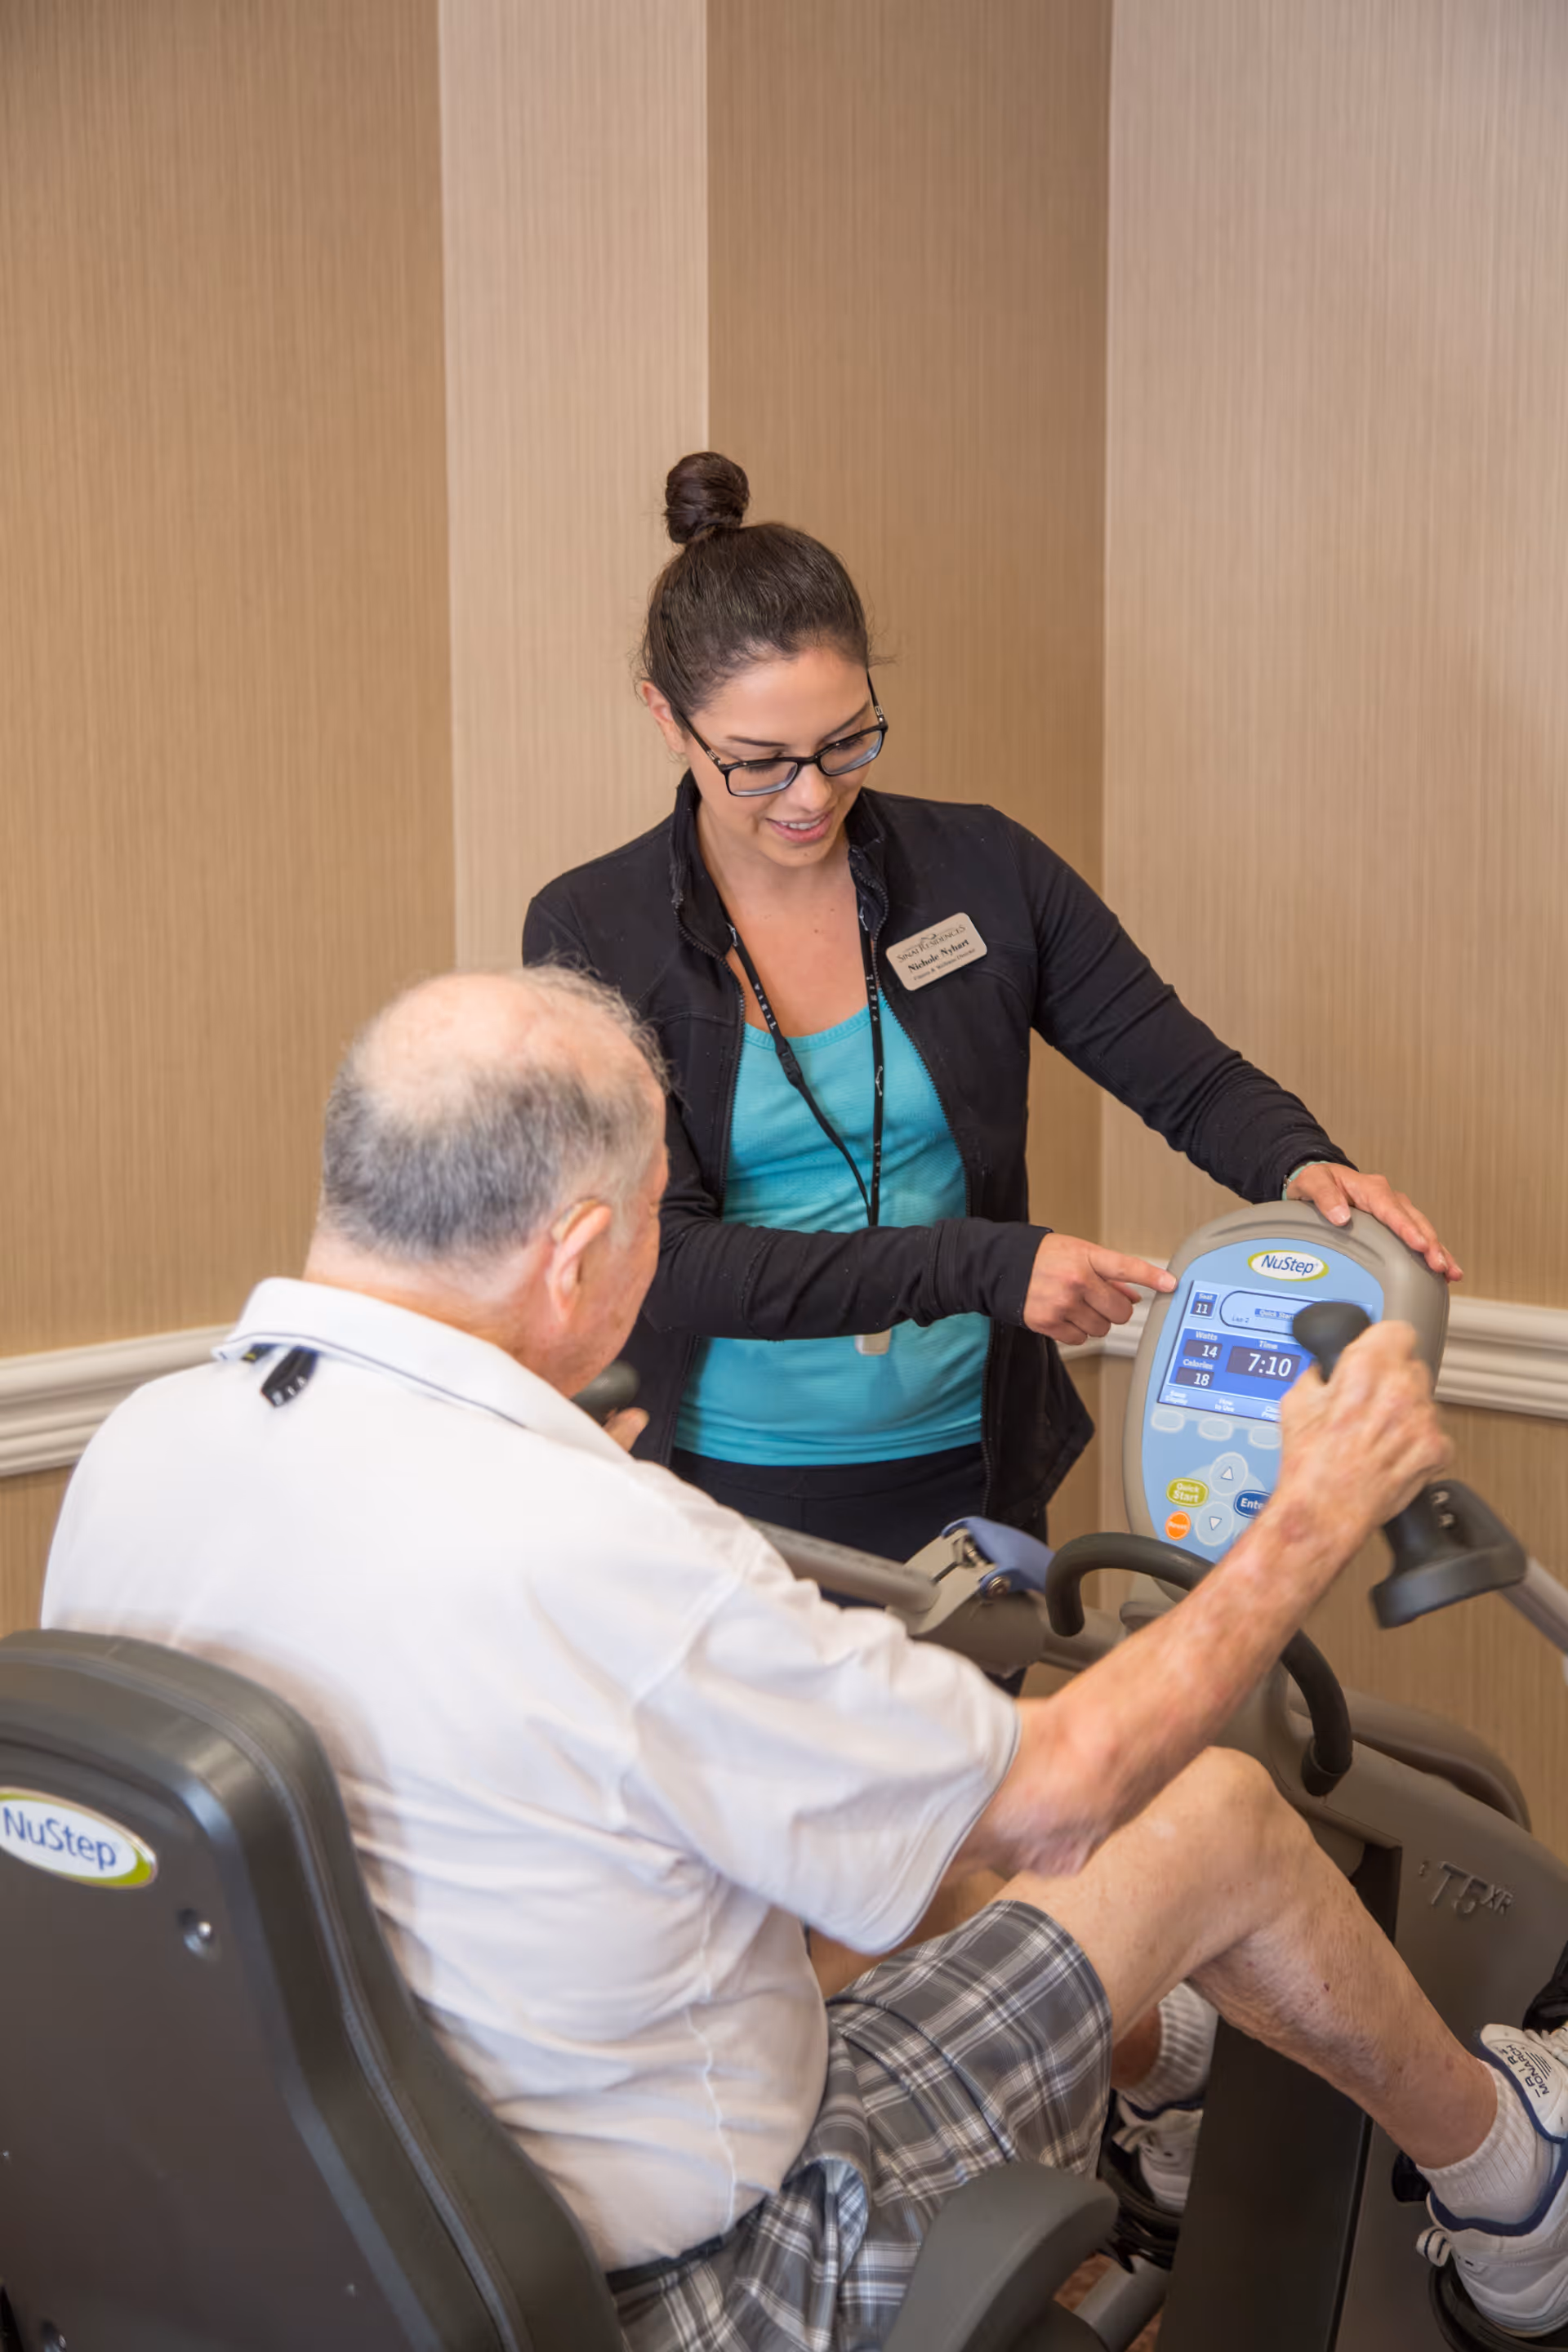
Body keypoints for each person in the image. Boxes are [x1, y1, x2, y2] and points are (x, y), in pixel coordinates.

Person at [42, 969, 1568, 2351]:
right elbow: (1058, 1797)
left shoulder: (143, 1451)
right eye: (654, 1222)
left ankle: (1167, 2060)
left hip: (319, 2246)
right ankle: (1520, 2199)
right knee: (1217, 1822)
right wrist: (1304, 1524)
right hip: (701, 2290)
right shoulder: (604, 1550)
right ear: (577, 1257)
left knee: (909, 1857)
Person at [523, 452, 1461, 1563]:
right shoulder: (591, 928)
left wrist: (1303, 1165)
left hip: (971, 1474)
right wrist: (988, 1265)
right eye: (759, 764)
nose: (813, 795)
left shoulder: (981, 871)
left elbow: (1185, 1075)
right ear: (667, 722)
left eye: (845, 741)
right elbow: (662, 1260)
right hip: (716, 1494)